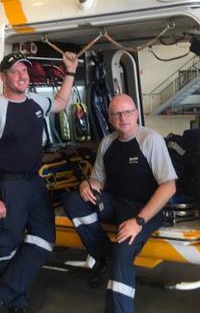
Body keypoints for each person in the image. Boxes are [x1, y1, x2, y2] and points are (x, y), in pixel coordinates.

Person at [0, 51, 79, 313]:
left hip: (34, 183)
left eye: (24, 71)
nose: (22, 76)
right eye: (15, 72)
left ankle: (0, 293)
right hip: (8, 186)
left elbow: (61, 102)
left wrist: (70, 72)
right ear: (3, 77)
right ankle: (17, 303)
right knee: (8, 245)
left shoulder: (35, 102)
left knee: (44, 239)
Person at [62, 94, 177, 313]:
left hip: (143, 209)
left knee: (123, 252)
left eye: (127, 112)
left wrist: (139, 221)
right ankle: (106, 255)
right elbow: (98, 179)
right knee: (73, 200)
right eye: (117, 114)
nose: (123, 118)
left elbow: (169, 187)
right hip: (114, 203)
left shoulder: (150, 140)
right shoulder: (107, 143)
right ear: (110, 117)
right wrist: (87, 185)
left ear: (136, 114)